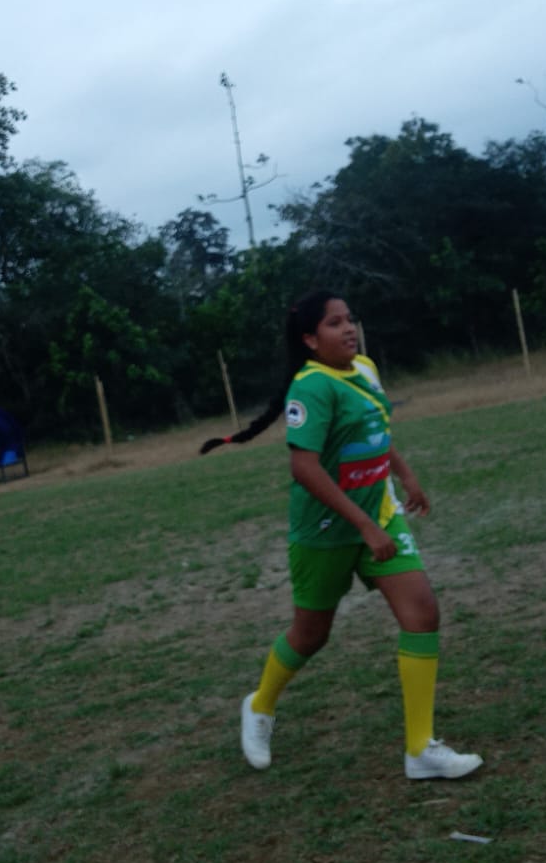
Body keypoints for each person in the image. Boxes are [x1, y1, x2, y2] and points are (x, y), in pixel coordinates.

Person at [201, 291, 482, 782]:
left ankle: (420, 749)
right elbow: (304, 468)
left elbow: (375, 430)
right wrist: (363, 526)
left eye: (350, 319)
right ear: (311, 339)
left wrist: (406, 476)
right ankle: (260, 705)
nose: (348, 328)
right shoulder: (312, 386)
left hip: (380, 516)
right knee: (311, 635)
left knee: (422, 613)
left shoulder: (365, 369)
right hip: (326, 531)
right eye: (334, 323)